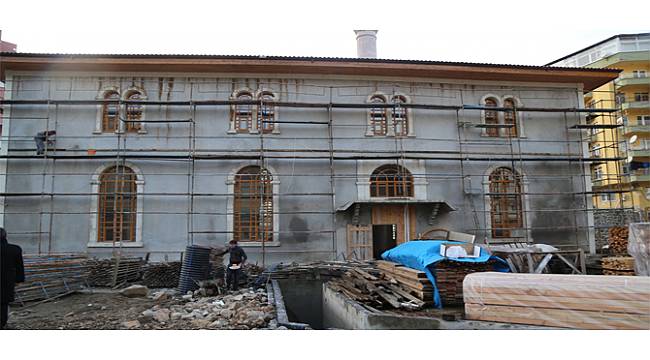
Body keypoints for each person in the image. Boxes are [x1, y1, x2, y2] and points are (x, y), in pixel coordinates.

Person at [1, 227, 25, 329]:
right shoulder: (15, 249)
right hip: (7, 281)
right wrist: (19, 279)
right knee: (3, 303)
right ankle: (2, 324)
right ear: (5, 236)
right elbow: (19, 266)